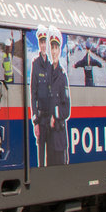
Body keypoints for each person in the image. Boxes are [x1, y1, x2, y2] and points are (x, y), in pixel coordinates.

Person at [47, 27, 72, 165]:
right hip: (49, 137)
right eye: (52, 48)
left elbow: (66, 109)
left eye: (56, 48)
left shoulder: (62, 77)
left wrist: (54, 115)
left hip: (59, 135)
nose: (54, 51)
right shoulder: (48, 74)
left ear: (59, 50)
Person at [30, 25, 51, 163]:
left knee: (51, 153)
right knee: (41, 151)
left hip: (51, 118)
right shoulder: (36, 64)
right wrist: (35, 121)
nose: (43, 45)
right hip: (41, 118)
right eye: (41, 43)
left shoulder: (51, 65)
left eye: (45, 43)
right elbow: (33, 94)